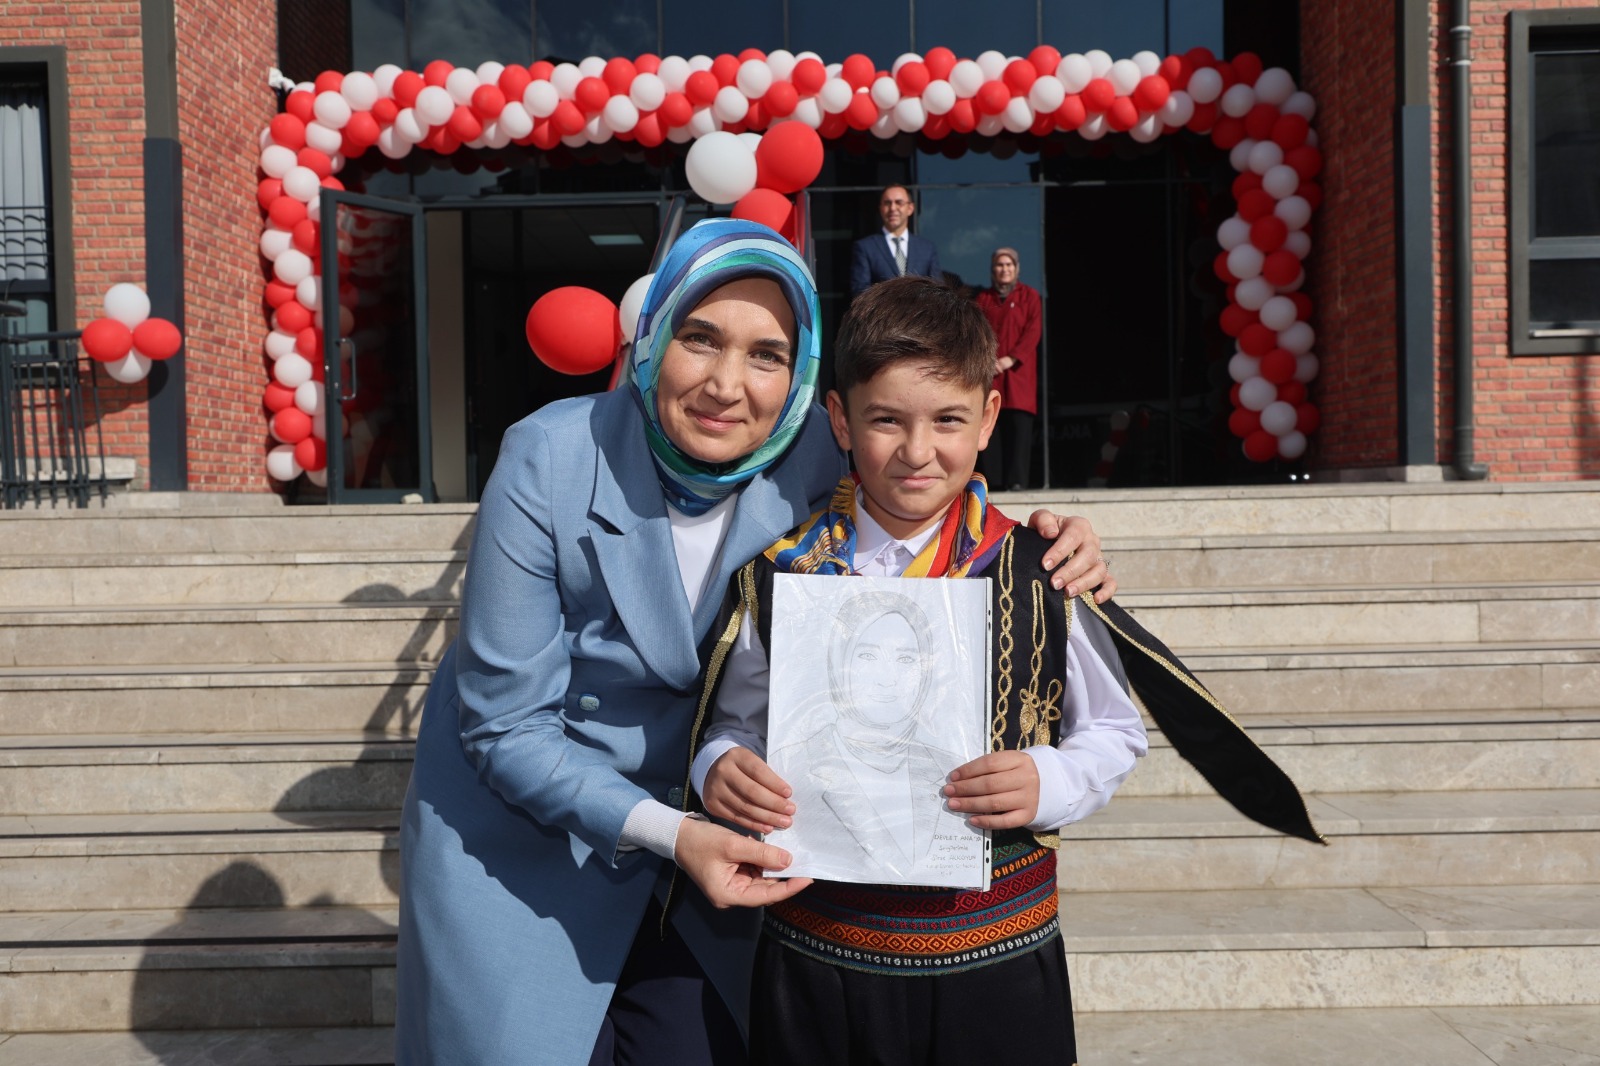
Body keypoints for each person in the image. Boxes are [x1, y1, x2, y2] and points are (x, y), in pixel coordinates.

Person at [394, 219, 1115, 1066]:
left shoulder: (815, 451)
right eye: (700, 338)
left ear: (805, 380)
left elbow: (926, 477)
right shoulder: (549, 457)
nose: (726, 385)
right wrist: (680, 821)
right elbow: (506, 727)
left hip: (728, 844)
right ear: (651, 337)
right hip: (532, 838)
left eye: (767, 354)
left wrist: (1049, 542)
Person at [692, 275, 1149, 1065]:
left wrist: (1050, 779)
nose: (916, 451)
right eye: (885, 420)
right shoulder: (783, 575)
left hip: (996, 963)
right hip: (819, 961)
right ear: (840, 419)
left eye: (947, 420)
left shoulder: (1043, 570)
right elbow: (732, 719)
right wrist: (719, 765)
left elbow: (1115, 728)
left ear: (989, 417)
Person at [976, 246, 1042, 491]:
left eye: (1009, 265)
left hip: (1018, 375)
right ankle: (994, 482)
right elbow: (977, 332)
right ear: (993, 270)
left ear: (1016, 269)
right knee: (991, 425)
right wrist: (988, 360)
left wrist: (1010, 359)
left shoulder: (1030, 297)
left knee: (1018, 429)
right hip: (991, 374)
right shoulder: (983, 299)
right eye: (999, 265)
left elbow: (1033, 333)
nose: (1004, 269)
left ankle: (1017, 481)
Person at [849, 184, 941, 297]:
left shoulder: (927, 248)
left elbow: (937, 291)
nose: (892, 208)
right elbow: (860, 291)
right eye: (887, 203)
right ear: (880, 209)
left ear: (910, 208)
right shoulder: (865, 247)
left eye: (899, 202)